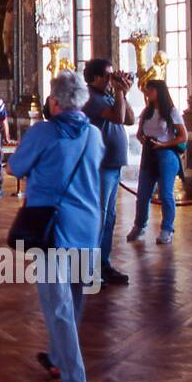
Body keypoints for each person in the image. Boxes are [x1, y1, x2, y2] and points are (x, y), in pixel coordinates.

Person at [7, 71, 104, 382]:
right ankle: (60, 359)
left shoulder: (43, 132)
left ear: (55, 101)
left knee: (57, 305)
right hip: (88, 226)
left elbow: (15, 168)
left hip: (53, 228)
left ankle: (74, 377)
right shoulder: (93, 134)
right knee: (74, 300)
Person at [81, 59, 134, 286]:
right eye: (107, 76)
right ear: (94, 78)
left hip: (112, 164)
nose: (112, 80)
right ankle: (89, 269)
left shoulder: (109, 95)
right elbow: (119, 118)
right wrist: (119, 92)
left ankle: (103, 263)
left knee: (109, 217)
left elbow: (130, 119)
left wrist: (123, 93)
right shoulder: (90, 98)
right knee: (98, 217)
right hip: (100, 165)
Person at [128, 79, 187, 244]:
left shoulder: (171, 112)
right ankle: (139, 225)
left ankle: (167, 228)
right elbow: (140, 132)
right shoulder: (147, 111)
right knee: (143, 193)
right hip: (149, 153)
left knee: (165, 193)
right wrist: (143, 139)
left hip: (166, 154)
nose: (147, 93)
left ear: (158, 91)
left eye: (150, 90)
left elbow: (183, 136)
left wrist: (164, 144)